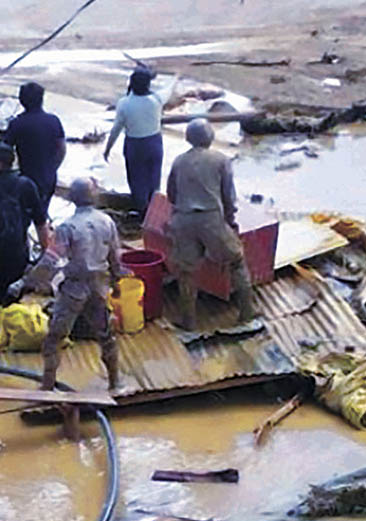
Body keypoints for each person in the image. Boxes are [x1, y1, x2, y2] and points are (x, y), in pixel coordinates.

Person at [165, 118, 256, 330]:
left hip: (183, 219)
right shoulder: (221, 160)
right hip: (211, 219)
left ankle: (189, 320)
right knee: (236, 261)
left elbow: (171, 194)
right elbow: (228, 198)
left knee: (186, 272)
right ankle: (246, 312)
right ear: (211, 137)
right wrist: (230, 222)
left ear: (188, 138)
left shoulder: (179, 161)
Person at [38, 179, 124, 392]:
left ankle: (47, 387)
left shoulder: (67, 227)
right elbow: (115, 256)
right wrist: (117, 282)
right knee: (105, 336)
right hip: (99, 286)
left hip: (74, 289)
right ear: (94, 197)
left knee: (54, 339)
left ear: (71, 199)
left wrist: (27, 281)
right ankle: (115, 382)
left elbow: (51, 258)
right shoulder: (106, 221)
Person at [0, 143, 50, 314]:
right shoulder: (27, 184)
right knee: (15, 287)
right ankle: (13, 323)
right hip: (19, 245)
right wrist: (45, 249)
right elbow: (40, 220)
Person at [103, 67, 166, 219]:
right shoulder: (156, 100)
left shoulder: (124, 103)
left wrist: (108, 148)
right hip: (155, 142)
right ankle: (154, 211)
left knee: (137, 179)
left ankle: (142, 211)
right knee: (154, 178)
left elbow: (116, 129)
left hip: (135, 144)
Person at [4, 81, 66, 217]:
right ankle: (46, 237)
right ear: (42, 99)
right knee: (42, 215)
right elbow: (61, 149)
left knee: (23, 217)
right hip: (49, 177)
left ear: (21, 101)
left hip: (26, 178)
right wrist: (53, 167)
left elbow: (5, 152)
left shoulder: (17, 124)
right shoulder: (54, 121)